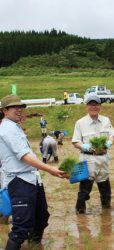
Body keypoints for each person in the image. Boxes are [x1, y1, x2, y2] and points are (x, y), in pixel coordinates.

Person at [0, 95, 65, 250]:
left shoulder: (15, 127)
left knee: (41, 217)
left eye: (21, 107)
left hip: (32, 179)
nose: (19, 110)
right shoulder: (7, 128)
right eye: (14, 107)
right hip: (19, 181)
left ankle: (34, 245)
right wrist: (50, 169)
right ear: (4, 110)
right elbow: (24, 156)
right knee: (21, 228)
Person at [72, 95, 114, 214]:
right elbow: (75, 141)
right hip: (88, 158)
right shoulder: (80, 123)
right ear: (87, 106)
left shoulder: (106, 120)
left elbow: (112, 135)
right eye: (91, 104)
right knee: (84, 189)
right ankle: (80, 212)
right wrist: (84, 146)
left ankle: (106, 210)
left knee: (105, 186)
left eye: (96, 104)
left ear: (100, 106)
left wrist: (109, 142)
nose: (94, 107)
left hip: (103, 158)